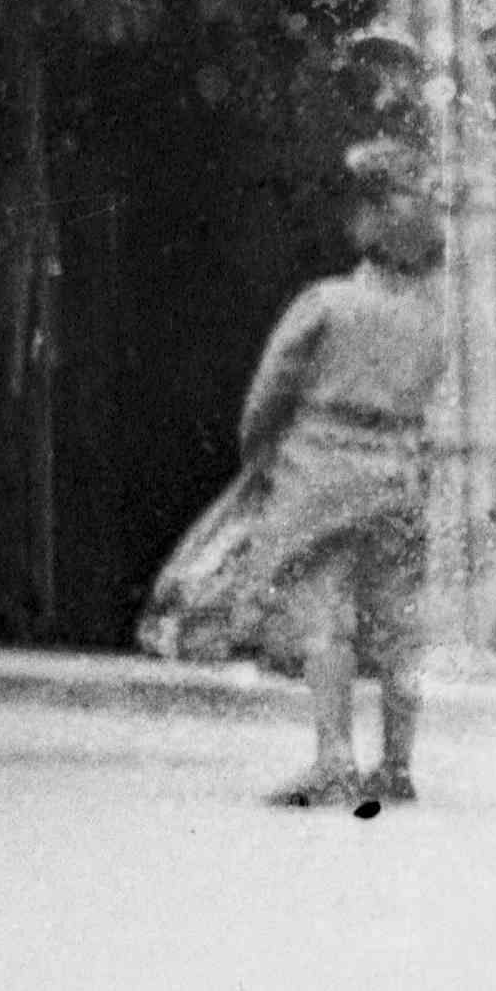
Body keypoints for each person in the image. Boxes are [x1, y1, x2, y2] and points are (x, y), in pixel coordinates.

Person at [156, 179, 450, 818]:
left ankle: (334, 762)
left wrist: (260, 457)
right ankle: (397, 766)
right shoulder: (432, 322)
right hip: (398, 478)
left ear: (366, 237)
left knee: (325, 621)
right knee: (398, 630)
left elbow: (269, 392)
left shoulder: (326, 303)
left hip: (322, 475)